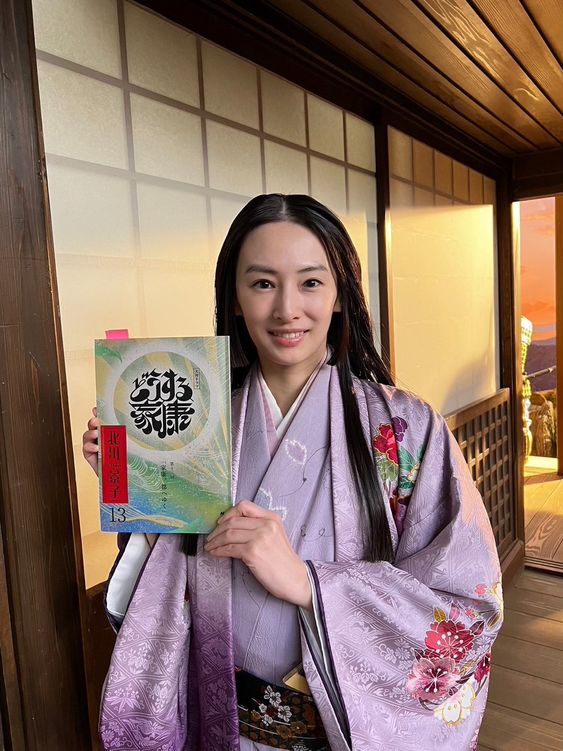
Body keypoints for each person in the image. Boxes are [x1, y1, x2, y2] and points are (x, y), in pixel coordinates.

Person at [83, 194, 502, 751]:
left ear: (340, 294)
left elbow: (465, 611)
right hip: (227, 727)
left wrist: (310, 584)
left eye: (310, 283)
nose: (287, 309)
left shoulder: (406, 428)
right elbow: (168, 582)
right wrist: (135, 484)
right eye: (262, 283)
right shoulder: (199, 425)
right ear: (235, 299)